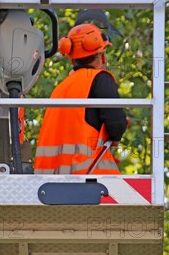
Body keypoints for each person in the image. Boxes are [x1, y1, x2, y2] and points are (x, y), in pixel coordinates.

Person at [34, 23, 127, 175]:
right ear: (102, 55)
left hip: (49, 182)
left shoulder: (60, 89)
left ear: (72, 60)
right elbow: (116, 123)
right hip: (88, 178)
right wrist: (116, 136)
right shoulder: (100, 78)